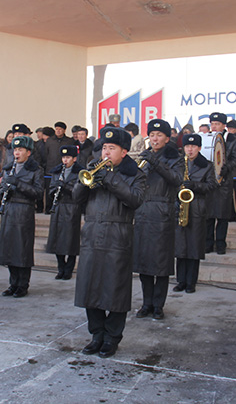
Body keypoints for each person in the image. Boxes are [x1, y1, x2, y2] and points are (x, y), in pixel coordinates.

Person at [73, 126, 146, 358]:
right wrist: (85, 181)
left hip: (118, 235)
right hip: (92, 232)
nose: (106, 152)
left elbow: (135, 199)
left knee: (116, 289)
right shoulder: (93, 168)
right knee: (90, 286)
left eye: (111, 148)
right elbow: (76, 198)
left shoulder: (135, 174)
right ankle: (96, 335)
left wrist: (111, 178)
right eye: (104, 147)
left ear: (123, 152)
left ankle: (112, 338)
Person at [133, 119, 184, 320]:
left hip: (162, 213)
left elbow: (176, 179)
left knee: (161, 263)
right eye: (152, 135)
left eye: (159, 135)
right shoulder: (144, 157)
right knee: (144, 262)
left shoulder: (175, 158)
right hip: (143, 212)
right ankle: (146, 303)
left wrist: (155, 162)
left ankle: (158, 305)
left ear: (167, 138)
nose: (155, 139)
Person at [0, 136, 44, 298]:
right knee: (9, 249)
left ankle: (23, 284)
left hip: (24, 211)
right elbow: (0, 190)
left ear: (28, 152)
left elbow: (38, 193)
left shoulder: (36, 170)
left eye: (20, 150)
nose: (17, 153)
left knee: (22, 249)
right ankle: (13, 283)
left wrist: (18, 184)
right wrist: (4, 190)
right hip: (9, 210)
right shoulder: (8, 168)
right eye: (15, 150)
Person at [174, 134, 218, 293]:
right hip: (180, 208)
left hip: (197, 209)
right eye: (187, 146)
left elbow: (212, 185)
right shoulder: (179, 164)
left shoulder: (207, 165)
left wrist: (195, 185)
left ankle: (191, 282)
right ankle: (180, 281)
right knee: (180, 247)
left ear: (199, 148)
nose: (190, 149)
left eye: (193, 146)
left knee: (194, 246)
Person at [205, 112, 236, 255]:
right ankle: (208, 243)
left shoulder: (231, 139)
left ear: (223, 125)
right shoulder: (206, 137)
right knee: (208, 215)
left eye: (217, 124)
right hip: (209, 181)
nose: (214, 127)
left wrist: (227, 167)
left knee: (222, 215)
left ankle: (220, 243)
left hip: (224, 182)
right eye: (212, 124)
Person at [46, 145, 84, 280]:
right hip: (58, 207)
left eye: (68, 157)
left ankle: (69, 269)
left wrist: (66, 187)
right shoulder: (57, 171)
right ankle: (60, 267)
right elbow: (50, 189)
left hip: (72, 207)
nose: (65, 160)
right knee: (57, 239)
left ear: (74, 158)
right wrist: (54, 190)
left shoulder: (80, 172)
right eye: (63, 157)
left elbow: (79, 191)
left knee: (71, 239)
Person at [44, 122, 72, 213]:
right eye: (56, 129)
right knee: (50, 189)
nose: (58, 131)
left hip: (64, 168)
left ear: (64, 130)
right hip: (51, 168)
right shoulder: (50, 140)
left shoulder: (69, 141)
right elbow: (45, 154)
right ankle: (48, 208)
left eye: (60, 129)